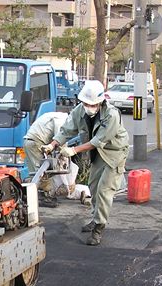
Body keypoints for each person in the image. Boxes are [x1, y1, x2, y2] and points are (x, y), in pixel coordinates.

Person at [42, 80, 129, 246]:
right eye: (86, 103)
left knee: (104, 190)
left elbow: (98, 140)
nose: (88, 106)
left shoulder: (111, 115)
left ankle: (99, 228)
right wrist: (52, 145)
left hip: (114, 154)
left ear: (100, 102)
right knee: (94, 187)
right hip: (96, 153)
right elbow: (66, 130)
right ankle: (95, 218)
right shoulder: (79, 111)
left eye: (92, 104)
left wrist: (74, 150)